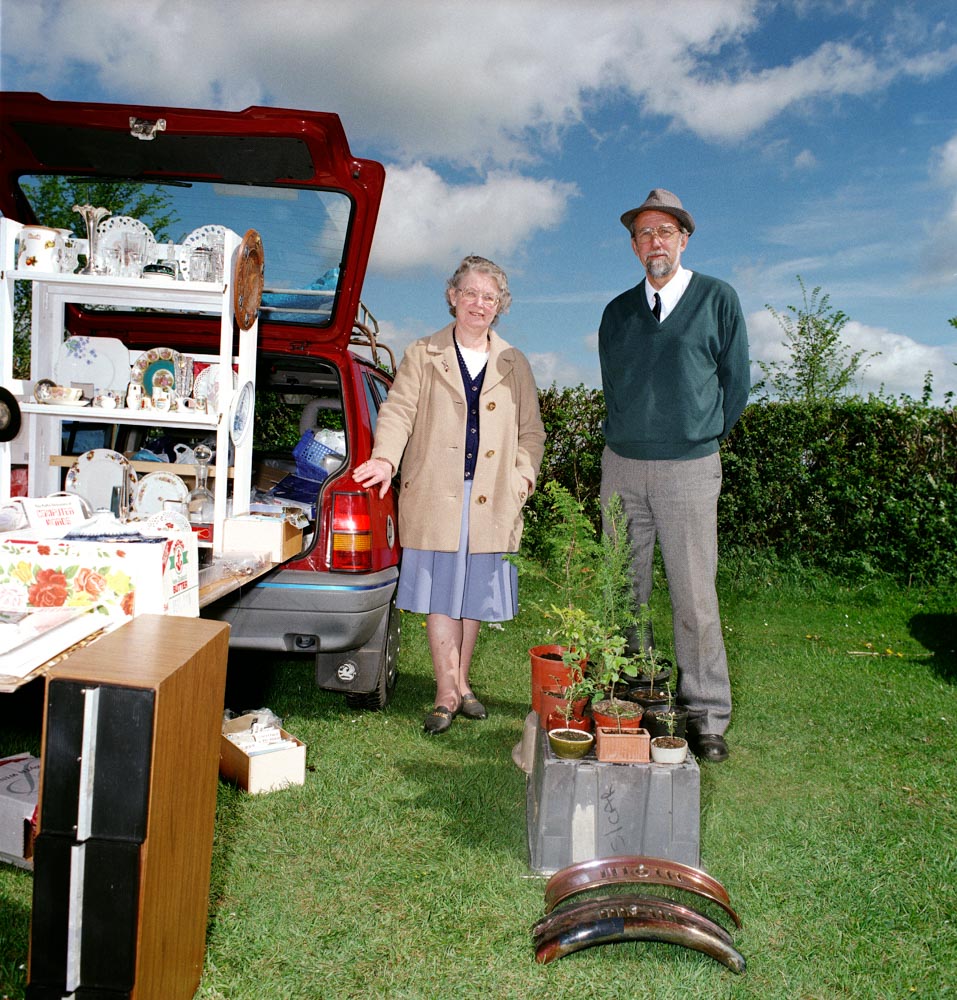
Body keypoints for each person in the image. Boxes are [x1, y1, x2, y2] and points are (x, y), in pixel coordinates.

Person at [354, 255, 545, 735]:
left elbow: (531, 433)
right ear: (453, 296)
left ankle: (461, 682)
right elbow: (398, 412)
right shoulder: (422, 353)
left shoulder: (515, 362)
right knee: (444, 593)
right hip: (437, 493)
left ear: (500, 305)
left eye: (489, 296)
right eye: (470, 293)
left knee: (473, 595)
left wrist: (523, 477)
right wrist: (386, 459)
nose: (479, 303)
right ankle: (446, 691)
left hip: (493, 497)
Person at [598, 189, 750, 763]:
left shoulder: (717, 298)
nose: (654, 241)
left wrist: (697, 434)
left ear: (684, 239)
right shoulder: (617, 313)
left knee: (693, 595)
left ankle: (706, 715)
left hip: (689, 468)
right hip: (622, 466)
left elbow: (736, 384)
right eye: (644, 233)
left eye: (665, 231)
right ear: (634, 246)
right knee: (623, 591)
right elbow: (615, 387)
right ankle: (633, 700)